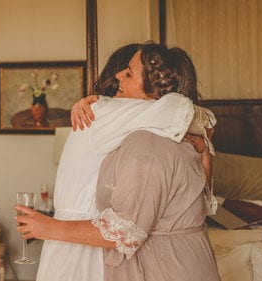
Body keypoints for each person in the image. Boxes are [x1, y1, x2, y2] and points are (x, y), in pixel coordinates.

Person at [16, 43, 221, 281]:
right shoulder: (105, 114)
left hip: (87, 240)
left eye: (129, 72)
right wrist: (203, 142)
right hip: (84, 238)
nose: (118, 76)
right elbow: (204, 122)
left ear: (157, 89)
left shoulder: (141, 129)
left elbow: (194, 118)